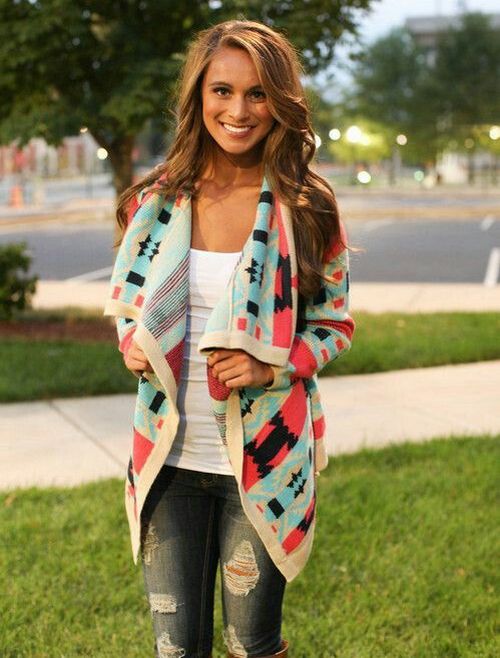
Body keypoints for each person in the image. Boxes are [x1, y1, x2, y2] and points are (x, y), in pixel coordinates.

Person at [104, 18, 355, 658]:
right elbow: (130, 305)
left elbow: (333, 324)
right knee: (175, 648)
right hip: (168, 459)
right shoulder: (156, 202)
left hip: (264, 462)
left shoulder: (306, 207)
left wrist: (273, 367)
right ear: (199, 95)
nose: (238, 111)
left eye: (257, 93)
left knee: (251, 646)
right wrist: (134, 342)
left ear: (280, 101)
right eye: (222, 91)